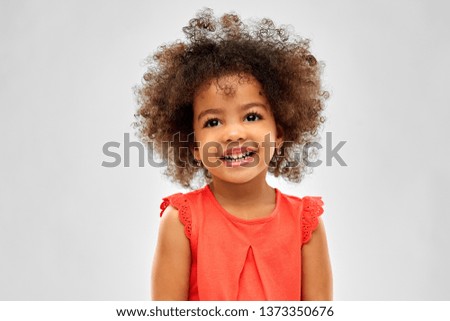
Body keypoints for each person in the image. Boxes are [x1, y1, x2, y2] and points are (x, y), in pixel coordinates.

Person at [134, 8, 332, 301]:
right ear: (195, 147)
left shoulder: (306, 223)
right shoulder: (180, 222)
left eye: (252, 116)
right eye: (213, 122)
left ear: (279, 133)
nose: (233, 133)